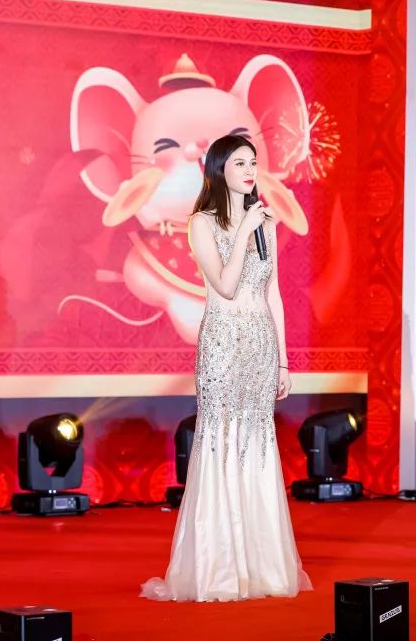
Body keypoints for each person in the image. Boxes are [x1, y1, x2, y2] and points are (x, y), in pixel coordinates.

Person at [141, 134, 311, 602]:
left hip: (260, 345)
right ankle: (219, 569)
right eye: (240, 163)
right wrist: (243, 232)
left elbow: (273, 294)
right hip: (222, 344)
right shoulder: (201, 222)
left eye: (253, 162)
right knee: (221, 441)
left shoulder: (265, 223)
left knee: (257, 443)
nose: (250, 170)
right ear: (219, 169)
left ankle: (262, 568)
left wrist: (283, 359)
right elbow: (227, 285)